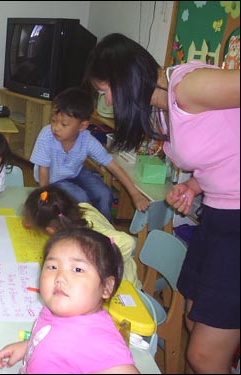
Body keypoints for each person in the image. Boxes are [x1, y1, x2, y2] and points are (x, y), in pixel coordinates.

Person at [84, 33, 240, 373]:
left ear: (123, 80)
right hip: (218, 214)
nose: (106, 100)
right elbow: (228, 138)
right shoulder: (167, 104)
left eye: (105, 89)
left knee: (202, 355)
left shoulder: (189, 86)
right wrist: (196, 184)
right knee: (191, 317)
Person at [0, 228, 139, 374]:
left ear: (106, 287)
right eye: (52, 267)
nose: (59, 277)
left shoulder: (98, 340)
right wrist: (29, 347)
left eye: (77, 269)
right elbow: (59, 344)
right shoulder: (57, 308)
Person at [30, 86, 149, 221]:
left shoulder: (87, 139)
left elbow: (112, 165)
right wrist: (45, 196)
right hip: (52, 178)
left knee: (104, 194)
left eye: (63, 124)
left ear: (82, 126)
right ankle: (82, 229)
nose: (56, 127)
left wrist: (135, 193)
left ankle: (105, 230)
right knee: (81, 198)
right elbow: (43, 171)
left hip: (75, 172)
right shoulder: (47, 136)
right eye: (53, 121)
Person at [22, 184, 141, 289]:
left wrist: (95, 267)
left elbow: (127, 242)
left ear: (50, 230)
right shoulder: (83, 207)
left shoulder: (87, 237)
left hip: (125, 288)